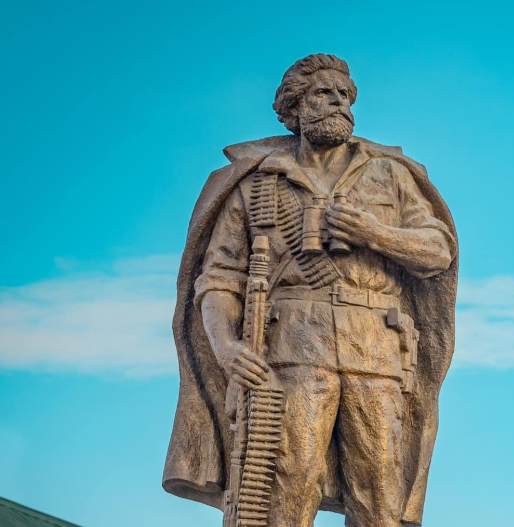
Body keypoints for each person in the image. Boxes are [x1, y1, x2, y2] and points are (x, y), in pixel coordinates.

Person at [164, 54, 459, 527]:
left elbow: (438, 251)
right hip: (292, 346)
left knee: (380, 492)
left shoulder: (391, 174)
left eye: (345, 95)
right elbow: (220, 275)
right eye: (324, 93)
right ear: (294, 109)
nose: (339, 103)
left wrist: (374, 233)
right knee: (287, 483)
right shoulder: (258, 182)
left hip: (376, 348)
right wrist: (225, 346)